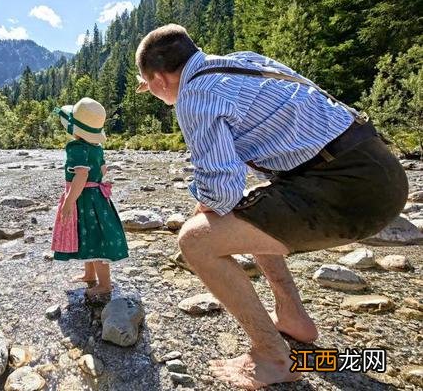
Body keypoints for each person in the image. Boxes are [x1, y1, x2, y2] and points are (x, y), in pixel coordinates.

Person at [135, 24, 408, 389]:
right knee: (247, 208)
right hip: (379, 167)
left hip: (349, 188)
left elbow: (220, 190)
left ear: (157, 80)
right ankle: (293, 318)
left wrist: (204, 206)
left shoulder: (195, 94)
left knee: (195, 241)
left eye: (149, 87)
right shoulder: (243, 63)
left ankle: (273, 356)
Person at [51, 97, 128, 297]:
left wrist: (69, 201)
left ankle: (104, 284)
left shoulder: (76, 148)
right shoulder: (97, 148)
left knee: (95, 239)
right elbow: (103, 169)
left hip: (83, 199)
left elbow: (81, 175)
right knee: (90, 236)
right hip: (98, 198)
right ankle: (89, 274)